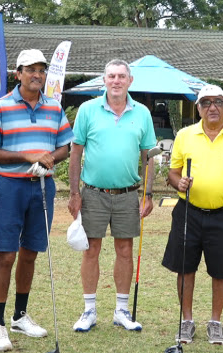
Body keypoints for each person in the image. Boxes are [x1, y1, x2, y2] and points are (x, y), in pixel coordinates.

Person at [0, 49, 73, 352]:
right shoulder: (2, 106)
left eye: (41, 69)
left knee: (31, 252)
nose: (37, 75)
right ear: (18, 73)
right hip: (10, 187)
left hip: (42, 187)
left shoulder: (54, 108)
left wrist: (49, 159)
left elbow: (65, 147)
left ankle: (20, 316)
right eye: (30, 69)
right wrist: (26, 155)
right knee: (6, 255)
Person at [162, 84, 223, 345]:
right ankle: (187, 321)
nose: (212, 107)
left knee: (221, 270)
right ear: (198, 108)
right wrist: (177, 182)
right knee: (185, 267)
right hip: (188, 212)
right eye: (206, 103)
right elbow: (173, 171)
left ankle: (215, 322)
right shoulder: (184, 135)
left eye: (217, 102)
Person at [67, 59, 156, 332]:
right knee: (91, 249)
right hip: (93, 193)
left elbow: (149, 156)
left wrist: (149, 194)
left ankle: (121, 310)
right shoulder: (87, 110)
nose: (116, 81)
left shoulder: (142, 113)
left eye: (121, 76)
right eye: (111, 76)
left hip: (128, 194)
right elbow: (75, 153)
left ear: (130, 81)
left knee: (125, 250)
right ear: (103, 81)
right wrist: (73, 193)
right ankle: (89, 311)